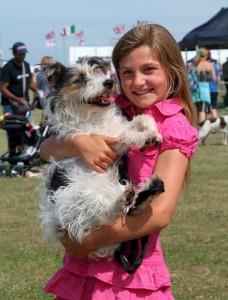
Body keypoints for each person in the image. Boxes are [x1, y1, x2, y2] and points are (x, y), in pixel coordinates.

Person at [40, 23, 198, 300]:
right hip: (83, 268)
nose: (137, 82)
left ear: (172, 70)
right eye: (127, 73)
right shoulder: (115, 108)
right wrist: (78, 143)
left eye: (149, 70)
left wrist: (87, 242)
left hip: (130, 273)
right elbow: (45, 149)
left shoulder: (174, 127)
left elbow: (160, 214)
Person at [0, 42, 37, 155]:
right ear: (14, 53)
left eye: (24, 54)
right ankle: (13, 154)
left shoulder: (25, 65)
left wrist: (39, 92)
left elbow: (29, 83)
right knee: (13, 131)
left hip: (24, 105)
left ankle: (26, 156)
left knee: (28, 130)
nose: (22, 56)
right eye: (20, 54)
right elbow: (3, 88)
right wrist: (17, 99)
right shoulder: (8, 68)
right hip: (10, 105)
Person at [207, 51, 221, 119]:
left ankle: (205, 124)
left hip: (205, 90)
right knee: (213, 106)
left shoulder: (201, 65)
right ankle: (215, 121)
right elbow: (218, 78)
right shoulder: (214, 65)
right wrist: (217, 87)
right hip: (213, 89)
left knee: (203, 108)